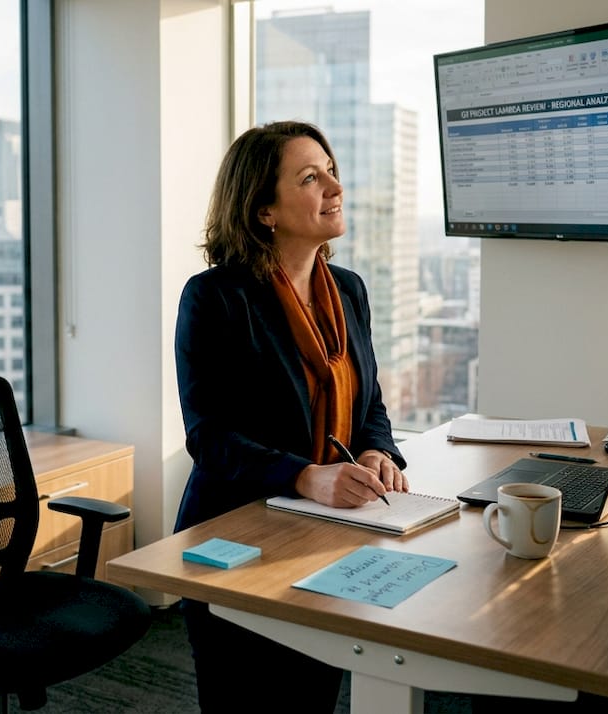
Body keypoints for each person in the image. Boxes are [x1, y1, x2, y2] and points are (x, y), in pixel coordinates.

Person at [174, 120, 409, 713]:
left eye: (332, 169)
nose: (334, 186)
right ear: (264, 212)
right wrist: (307, 475)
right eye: (310, 177)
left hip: (327, 530)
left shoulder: (348, 289)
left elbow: (370, 402)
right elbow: (209, 438)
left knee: (311, 696)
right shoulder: (214, 298)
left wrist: (380, 451)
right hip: (237, 535)